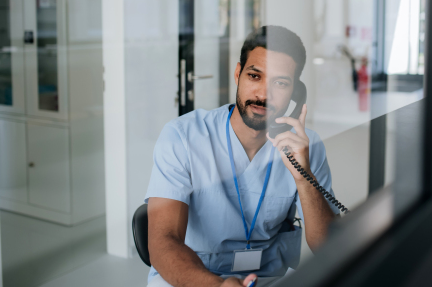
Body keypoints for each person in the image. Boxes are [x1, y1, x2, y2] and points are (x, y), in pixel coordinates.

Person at [145, 26, 339, 287]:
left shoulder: (304, 146)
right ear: (238, 74)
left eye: (280, 83)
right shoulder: (182, 137)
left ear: (295, 91)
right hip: (192, 277)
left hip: (266, 277)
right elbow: (162, 241)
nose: (262, 95)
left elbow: (328, 247)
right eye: (254, 76)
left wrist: (304, 178)